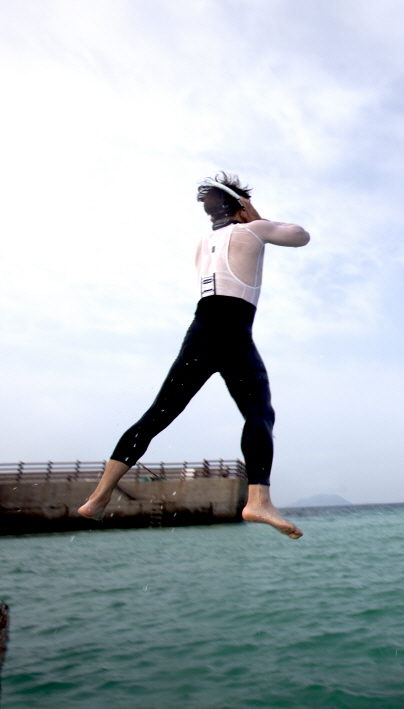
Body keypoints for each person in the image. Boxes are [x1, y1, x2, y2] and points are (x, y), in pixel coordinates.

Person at [78, 172, 310, 539]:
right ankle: (258, 500)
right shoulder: (254, 230)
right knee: (260, 415)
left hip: (201, 330)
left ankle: (98, 497)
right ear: (241, 206)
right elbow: (300, 236)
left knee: (157, 414)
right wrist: (256, 215)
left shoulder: (203, 242)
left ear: (211, 211)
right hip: (233, 333)